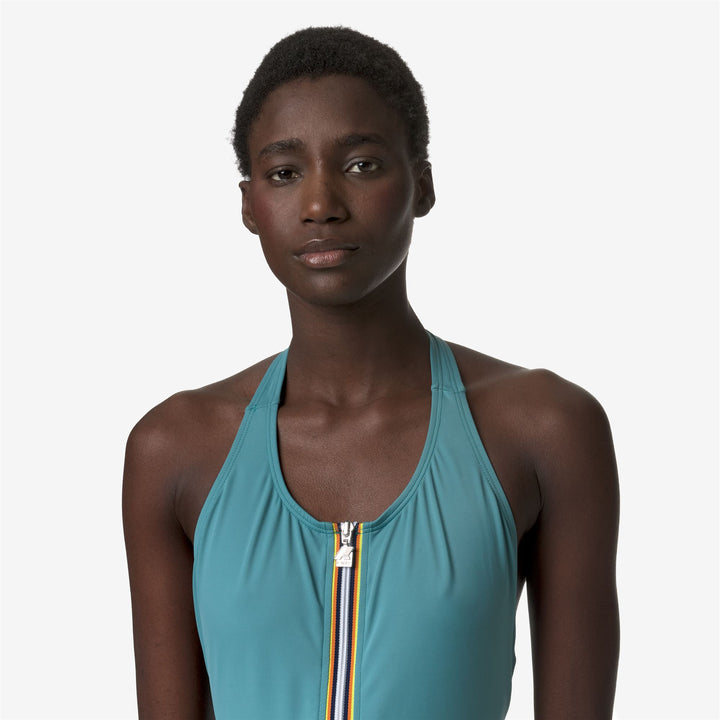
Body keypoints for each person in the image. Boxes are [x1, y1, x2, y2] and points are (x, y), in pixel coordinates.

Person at [122, 26, 620, 720]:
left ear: (423, 185)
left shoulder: (545, 429)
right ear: (248, 204)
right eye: (284, 173)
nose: (321, 204)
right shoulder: (175, 449)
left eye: (361, 164)